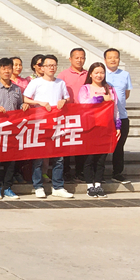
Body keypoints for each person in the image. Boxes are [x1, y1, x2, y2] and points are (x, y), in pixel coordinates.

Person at [23, 54, 74, 199]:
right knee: (39, 157)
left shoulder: (60, 83)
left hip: (57, 124)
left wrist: (64, 101)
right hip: (40, 123)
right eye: (48, 65)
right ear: (42, 67)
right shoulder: (36, 82)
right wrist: (40, 103)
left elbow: (67, 97)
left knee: (59, 157)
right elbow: (26, 98)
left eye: (54, 65)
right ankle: (38, 186)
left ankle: (58, 186)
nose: (51, 68)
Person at [0, 58, 29, 200]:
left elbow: (19, 105)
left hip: (12, 131)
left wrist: (23, 106)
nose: (7, 71)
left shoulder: (17, 89)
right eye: (3, 68)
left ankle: (8, 187)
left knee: (11, 161)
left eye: (9, 68)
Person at [78, 62, 121, 197]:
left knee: (101, 159)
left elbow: (115, 108)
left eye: (102, 72)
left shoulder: (110, 89)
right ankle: (89, 186)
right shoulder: (85, 88)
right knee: (89, 158)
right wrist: (100, 98)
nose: (99, 75)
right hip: (90, 127)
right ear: (90, 74)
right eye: (96, 72)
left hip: (105, 127)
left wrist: (117, 125)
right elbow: (83, 103)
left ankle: (98, 185)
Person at [58, 48, 88, 182]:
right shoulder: (63, 75)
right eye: (77, 57)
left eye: (82, 57)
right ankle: (66, 171)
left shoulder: (89, 75)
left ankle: (80, 171)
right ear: (70, 59)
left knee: (81, 144)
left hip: (84, 114)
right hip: (68, 114)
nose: (79, 60)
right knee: (67, 144)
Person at [104, 48, 132, 183]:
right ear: (105, 60)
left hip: (121, 116)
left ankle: (117, 173)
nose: (113, 60)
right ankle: (98, 173)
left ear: (119, 59)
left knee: (119, 146)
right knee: (102, 146)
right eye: (110, 57)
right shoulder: (101, 73)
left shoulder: (125, 74)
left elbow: (126, 94)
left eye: (115, 57)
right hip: (105, 117)